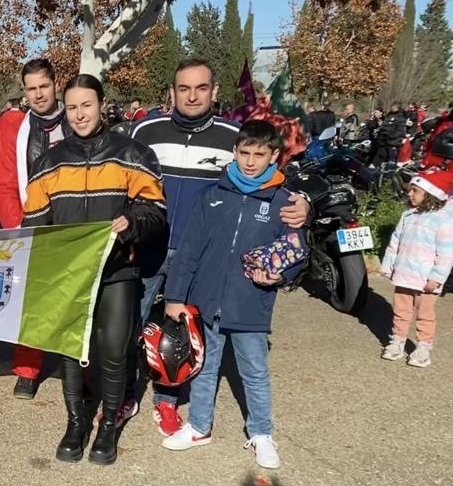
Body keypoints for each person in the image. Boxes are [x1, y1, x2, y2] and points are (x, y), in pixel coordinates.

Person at [129, 59, 309, 436]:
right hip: (148, 249)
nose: (191, 95)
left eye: (200, 88)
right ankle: (127, 394)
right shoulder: (145, 129)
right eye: (183, 88)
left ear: (214, 91)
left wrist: (305, 202)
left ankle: (167, 401)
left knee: (179, 336)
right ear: (172, 92)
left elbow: (271, 182)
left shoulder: (234, 135)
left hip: (198, 258)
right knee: (132, 326)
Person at [23, 73, 166, 465]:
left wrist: (132, 224)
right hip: (70, 274)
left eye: (87, 105)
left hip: (118, 271)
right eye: (71, 107)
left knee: (115, 351)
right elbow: (33, 223)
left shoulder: (133, 154)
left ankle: (107, 428)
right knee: (71, 350)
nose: (79, 114)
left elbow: (156, 213)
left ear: (102, 104)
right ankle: (74, 423)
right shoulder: (48, 161)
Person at [161, 120, 306, 469]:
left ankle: (261, 433)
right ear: (235, 152)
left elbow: (297, 250)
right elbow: (189, 251)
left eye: (260, 154)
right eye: (245, 153)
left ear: (274, 156)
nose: (251, 161)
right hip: (206, 301)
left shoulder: (283, 201)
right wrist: (174, 296)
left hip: (250, 305)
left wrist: (281, 274)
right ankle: (198, 426)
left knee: (254, 371)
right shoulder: (212, 195)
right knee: (205, 368)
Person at [0, 58, 73, 400]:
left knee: (76, 298)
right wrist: (21, 229)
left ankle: (77, 368)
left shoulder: (77, 119)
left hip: (73, 224)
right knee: (30, 300)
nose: (39, 94)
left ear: (56, 83)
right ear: (23, 92)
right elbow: (5, 185)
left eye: (44, 86)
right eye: (31, 88)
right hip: (31, 225)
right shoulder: (14, 127)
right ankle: (27, 368)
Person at [380, 169, 453, 368]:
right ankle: (397, 341)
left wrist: (437, 278)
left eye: (415, 191)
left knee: (424, 314)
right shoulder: (408, 216)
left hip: (426, 280)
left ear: (430, 194)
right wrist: (389, 265)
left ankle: (423, 347)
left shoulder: (446, 221)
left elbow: (447, 254)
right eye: (410, 190)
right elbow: (395, 243)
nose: (410, 194)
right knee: (401, 311)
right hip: (404, 276)